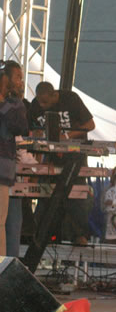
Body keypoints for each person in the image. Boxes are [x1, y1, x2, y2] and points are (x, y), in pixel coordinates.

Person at [29, 81, 96, 245]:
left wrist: (66, 137)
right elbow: (30, 129)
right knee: (47, 195)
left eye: (46, 102)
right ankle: (44, 233)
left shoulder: (71, 99)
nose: (43, 106)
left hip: (75, 156)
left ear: (54, 95)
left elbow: (90, 124)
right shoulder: (35, 106)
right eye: (40, 102)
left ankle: (79, 234)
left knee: (77, 194)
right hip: (51, 158)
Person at [0, 60, 28, 256]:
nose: (21, 81)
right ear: (5, 78)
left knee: (0, 221)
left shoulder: (16, 104)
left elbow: (20, 127)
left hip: (2, 170)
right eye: (17, 77)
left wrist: (2, 102)